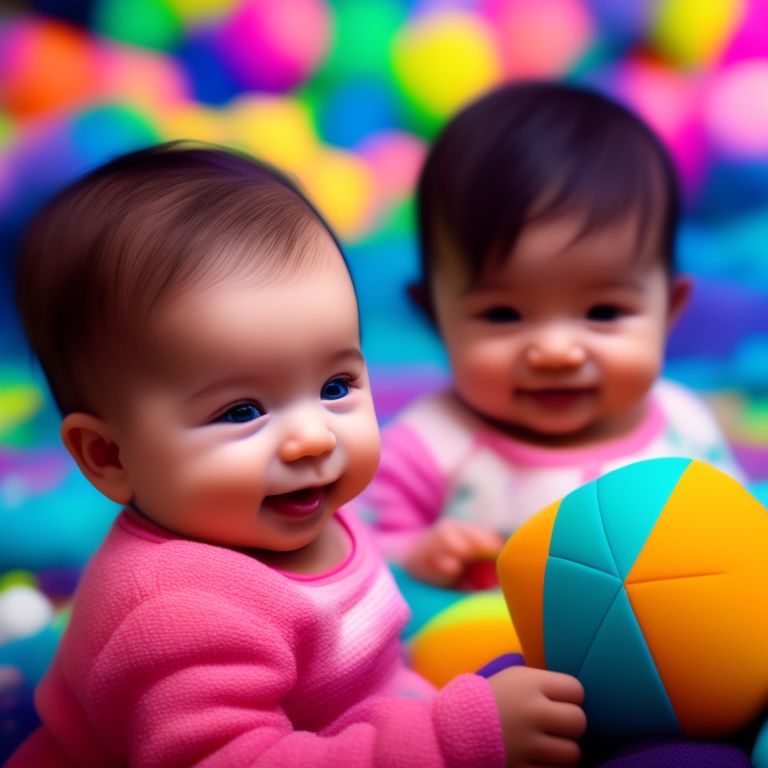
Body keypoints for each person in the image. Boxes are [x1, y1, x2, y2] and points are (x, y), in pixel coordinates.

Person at [7, 142, 587, 768]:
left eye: (335, 387)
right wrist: (448, 739)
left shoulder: (279, 509)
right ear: (109, 456)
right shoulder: (178, 615)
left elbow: (348, 632)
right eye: (242, 412)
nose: (314, 436)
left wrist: (416, 555)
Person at [355, 81, 744, 589]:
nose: (556, 352)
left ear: (669, 310)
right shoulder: (424, 448)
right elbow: (348, 554)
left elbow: (739, 537)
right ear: (434, 317)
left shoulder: (684, 429)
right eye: (503, 315)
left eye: (603, 312)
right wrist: (415, 553)